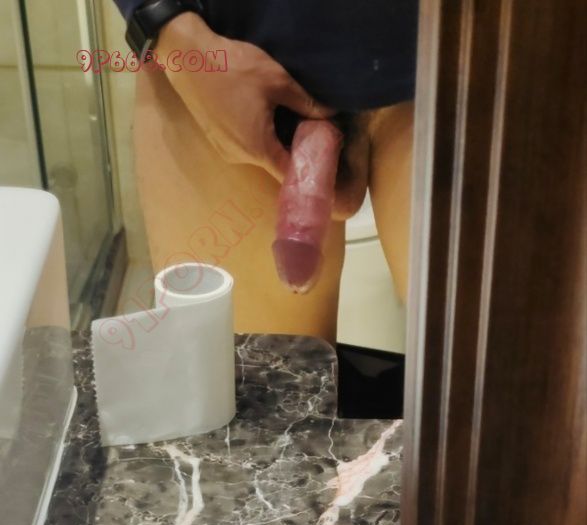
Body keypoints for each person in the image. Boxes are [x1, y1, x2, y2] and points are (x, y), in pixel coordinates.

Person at [114, 0, 419, 342]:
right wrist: (169, 26)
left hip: (444, 50)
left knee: (466, 370)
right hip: (223, 52)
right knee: (242, 369)